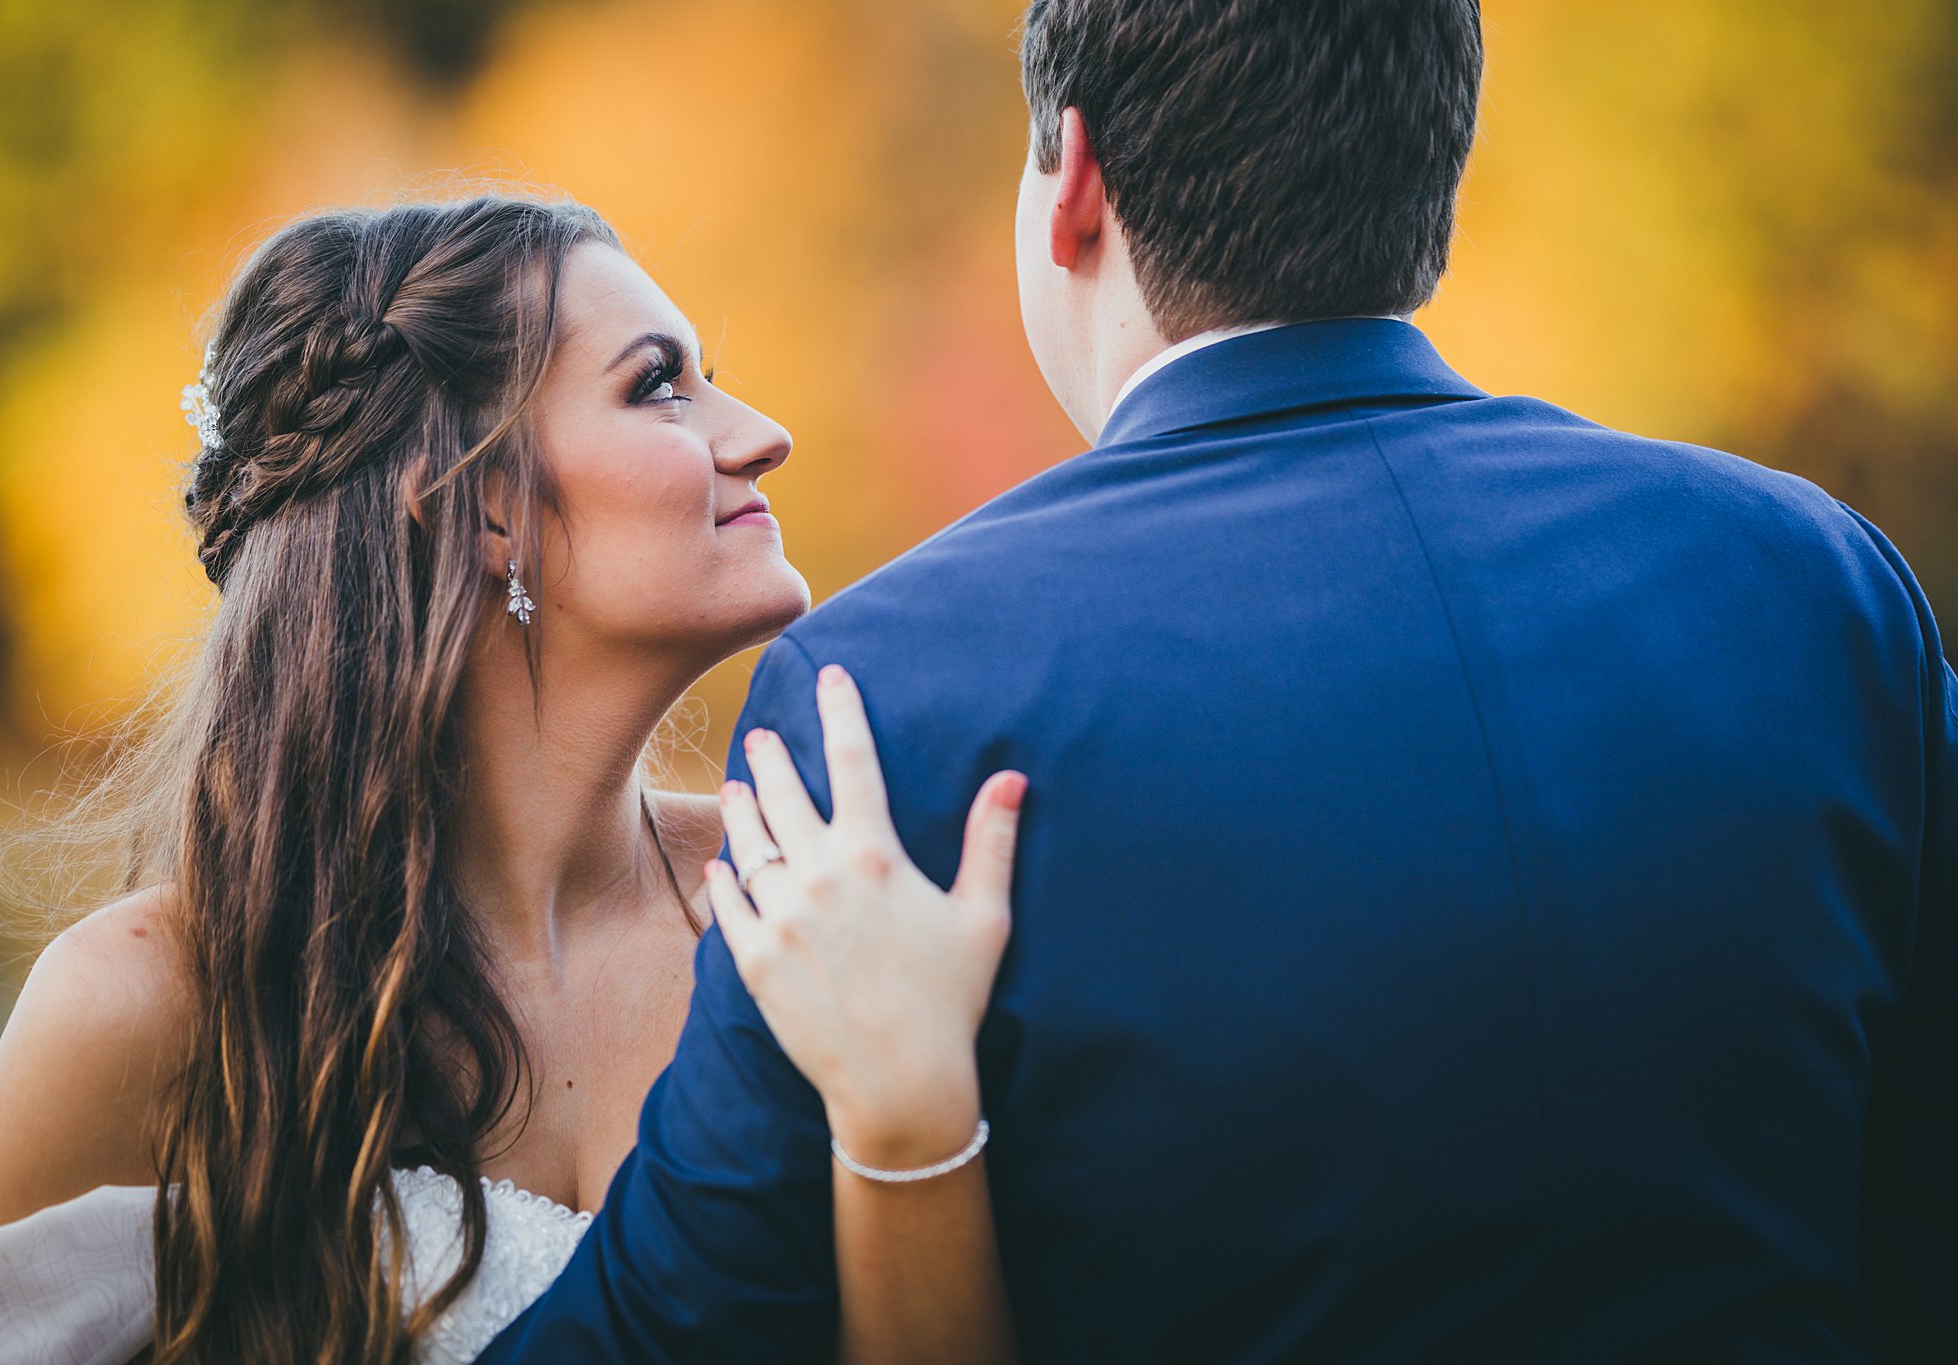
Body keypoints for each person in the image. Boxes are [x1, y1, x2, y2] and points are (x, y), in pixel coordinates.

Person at [481, 1, 1957, 1361]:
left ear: (1074, 184)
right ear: (1429, 179)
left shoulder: (882, 701)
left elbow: (688, 1322)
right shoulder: (1820, 582)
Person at [0, 196, 1021, 1364]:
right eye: (659, 384)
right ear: (481, 499)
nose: (759, 433)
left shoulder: (804, 904)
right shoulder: (151, 1007)